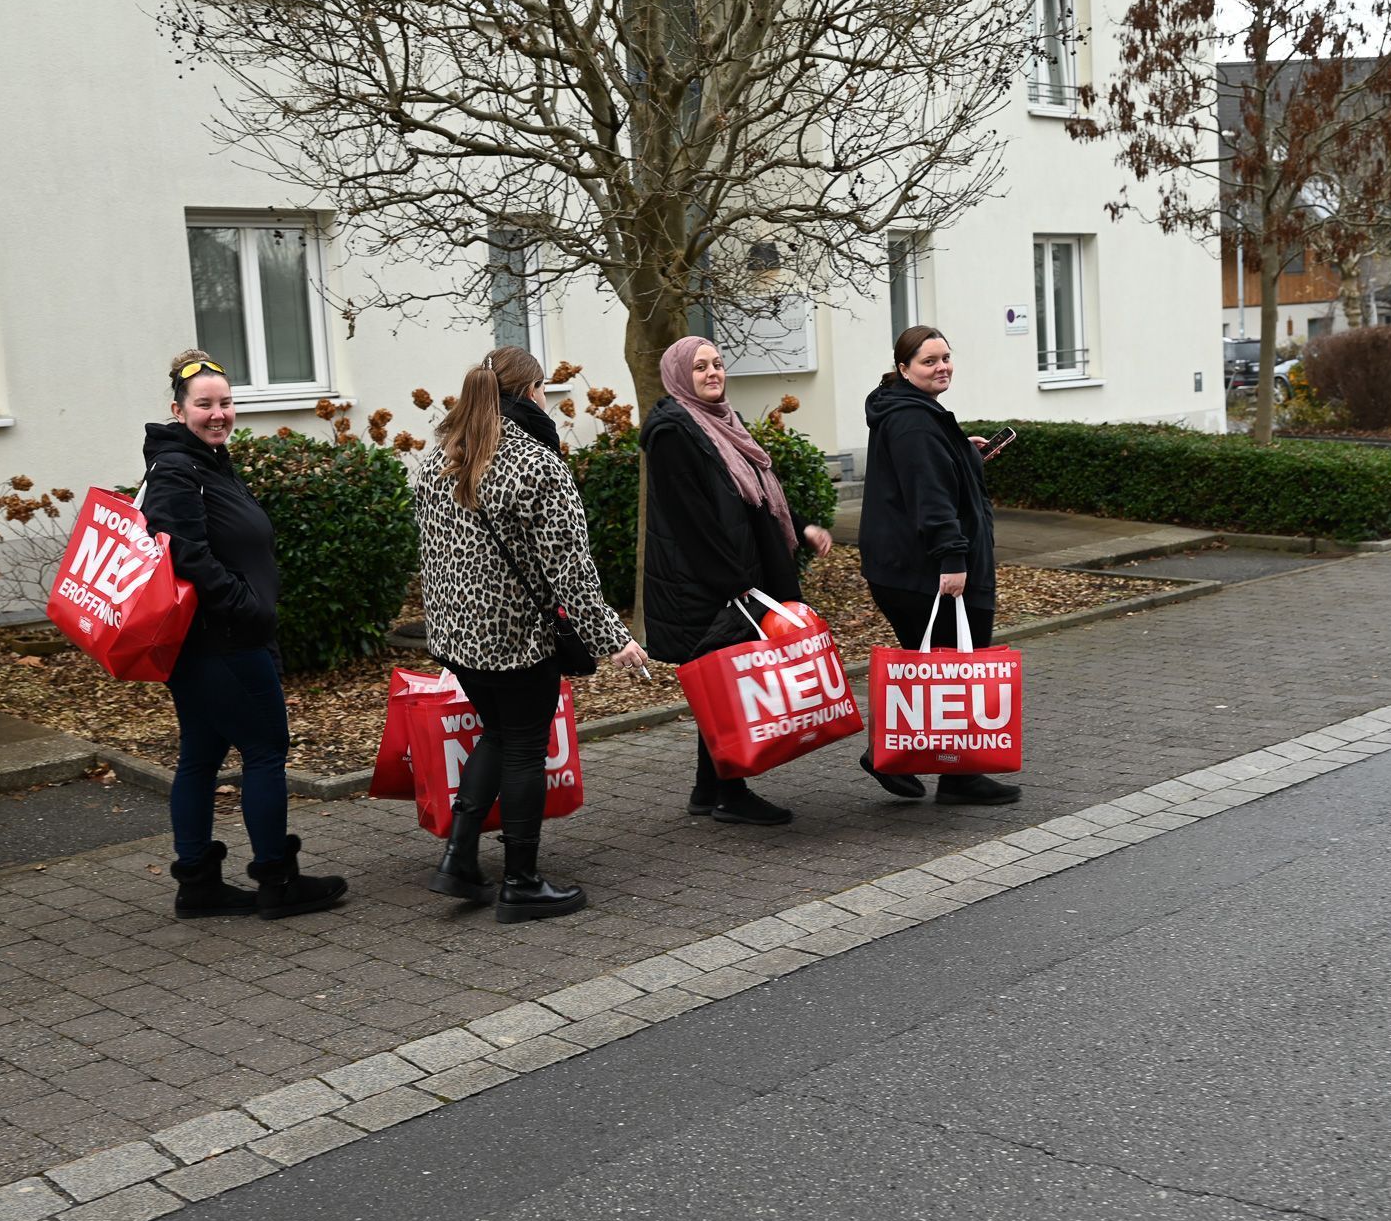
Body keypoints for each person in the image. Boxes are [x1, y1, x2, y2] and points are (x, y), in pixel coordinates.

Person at [413, 346, 648, 923]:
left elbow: (433, 555)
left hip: (458, 638)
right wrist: (613, 639)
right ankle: (521, 882)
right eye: (545, 387)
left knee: (497, 734)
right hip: (517, 638)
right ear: (531, 391)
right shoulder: (537, 464)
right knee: (522, 746)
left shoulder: (437, 457)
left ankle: (459, 859)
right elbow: (570, 570)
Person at [141, 351, 350, 919]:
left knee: (200, 757)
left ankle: (198, 885)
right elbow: (179, 549)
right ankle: (277, 882)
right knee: (264, 752)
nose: (218, 414)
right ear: (177, 409)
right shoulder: (177, 469)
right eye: (204, 404)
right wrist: (242, 606)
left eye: (225, 403)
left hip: (210, 642)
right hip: (224, 641)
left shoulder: (205, 461)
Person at [641, 335, 834, 826]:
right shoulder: (672, 432)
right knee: (724, 686)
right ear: (681, 375)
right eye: (700, 367)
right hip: (705, 586)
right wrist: (738, 586)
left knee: (721, 685)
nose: (712, 373)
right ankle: (730, 794)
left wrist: (803, 525)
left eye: (718, 364)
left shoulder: (725, 422)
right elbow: (692, 522)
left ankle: (710, 790)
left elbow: (756, 495)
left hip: (735, 580)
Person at [858, 326, 1021, 804]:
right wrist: (952, 558)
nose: (942, 366)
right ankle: (939, 771)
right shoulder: (913, 420)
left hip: (905, 568)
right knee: (953, 674)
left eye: (946, 357)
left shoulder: (912, 412)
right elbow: (930, 497)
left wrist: (961, 452)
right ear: (904, 367)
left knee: (937, 673)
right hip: (928, 570)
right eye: (929, 361)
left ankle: (937, 769)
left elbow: (929, 474)